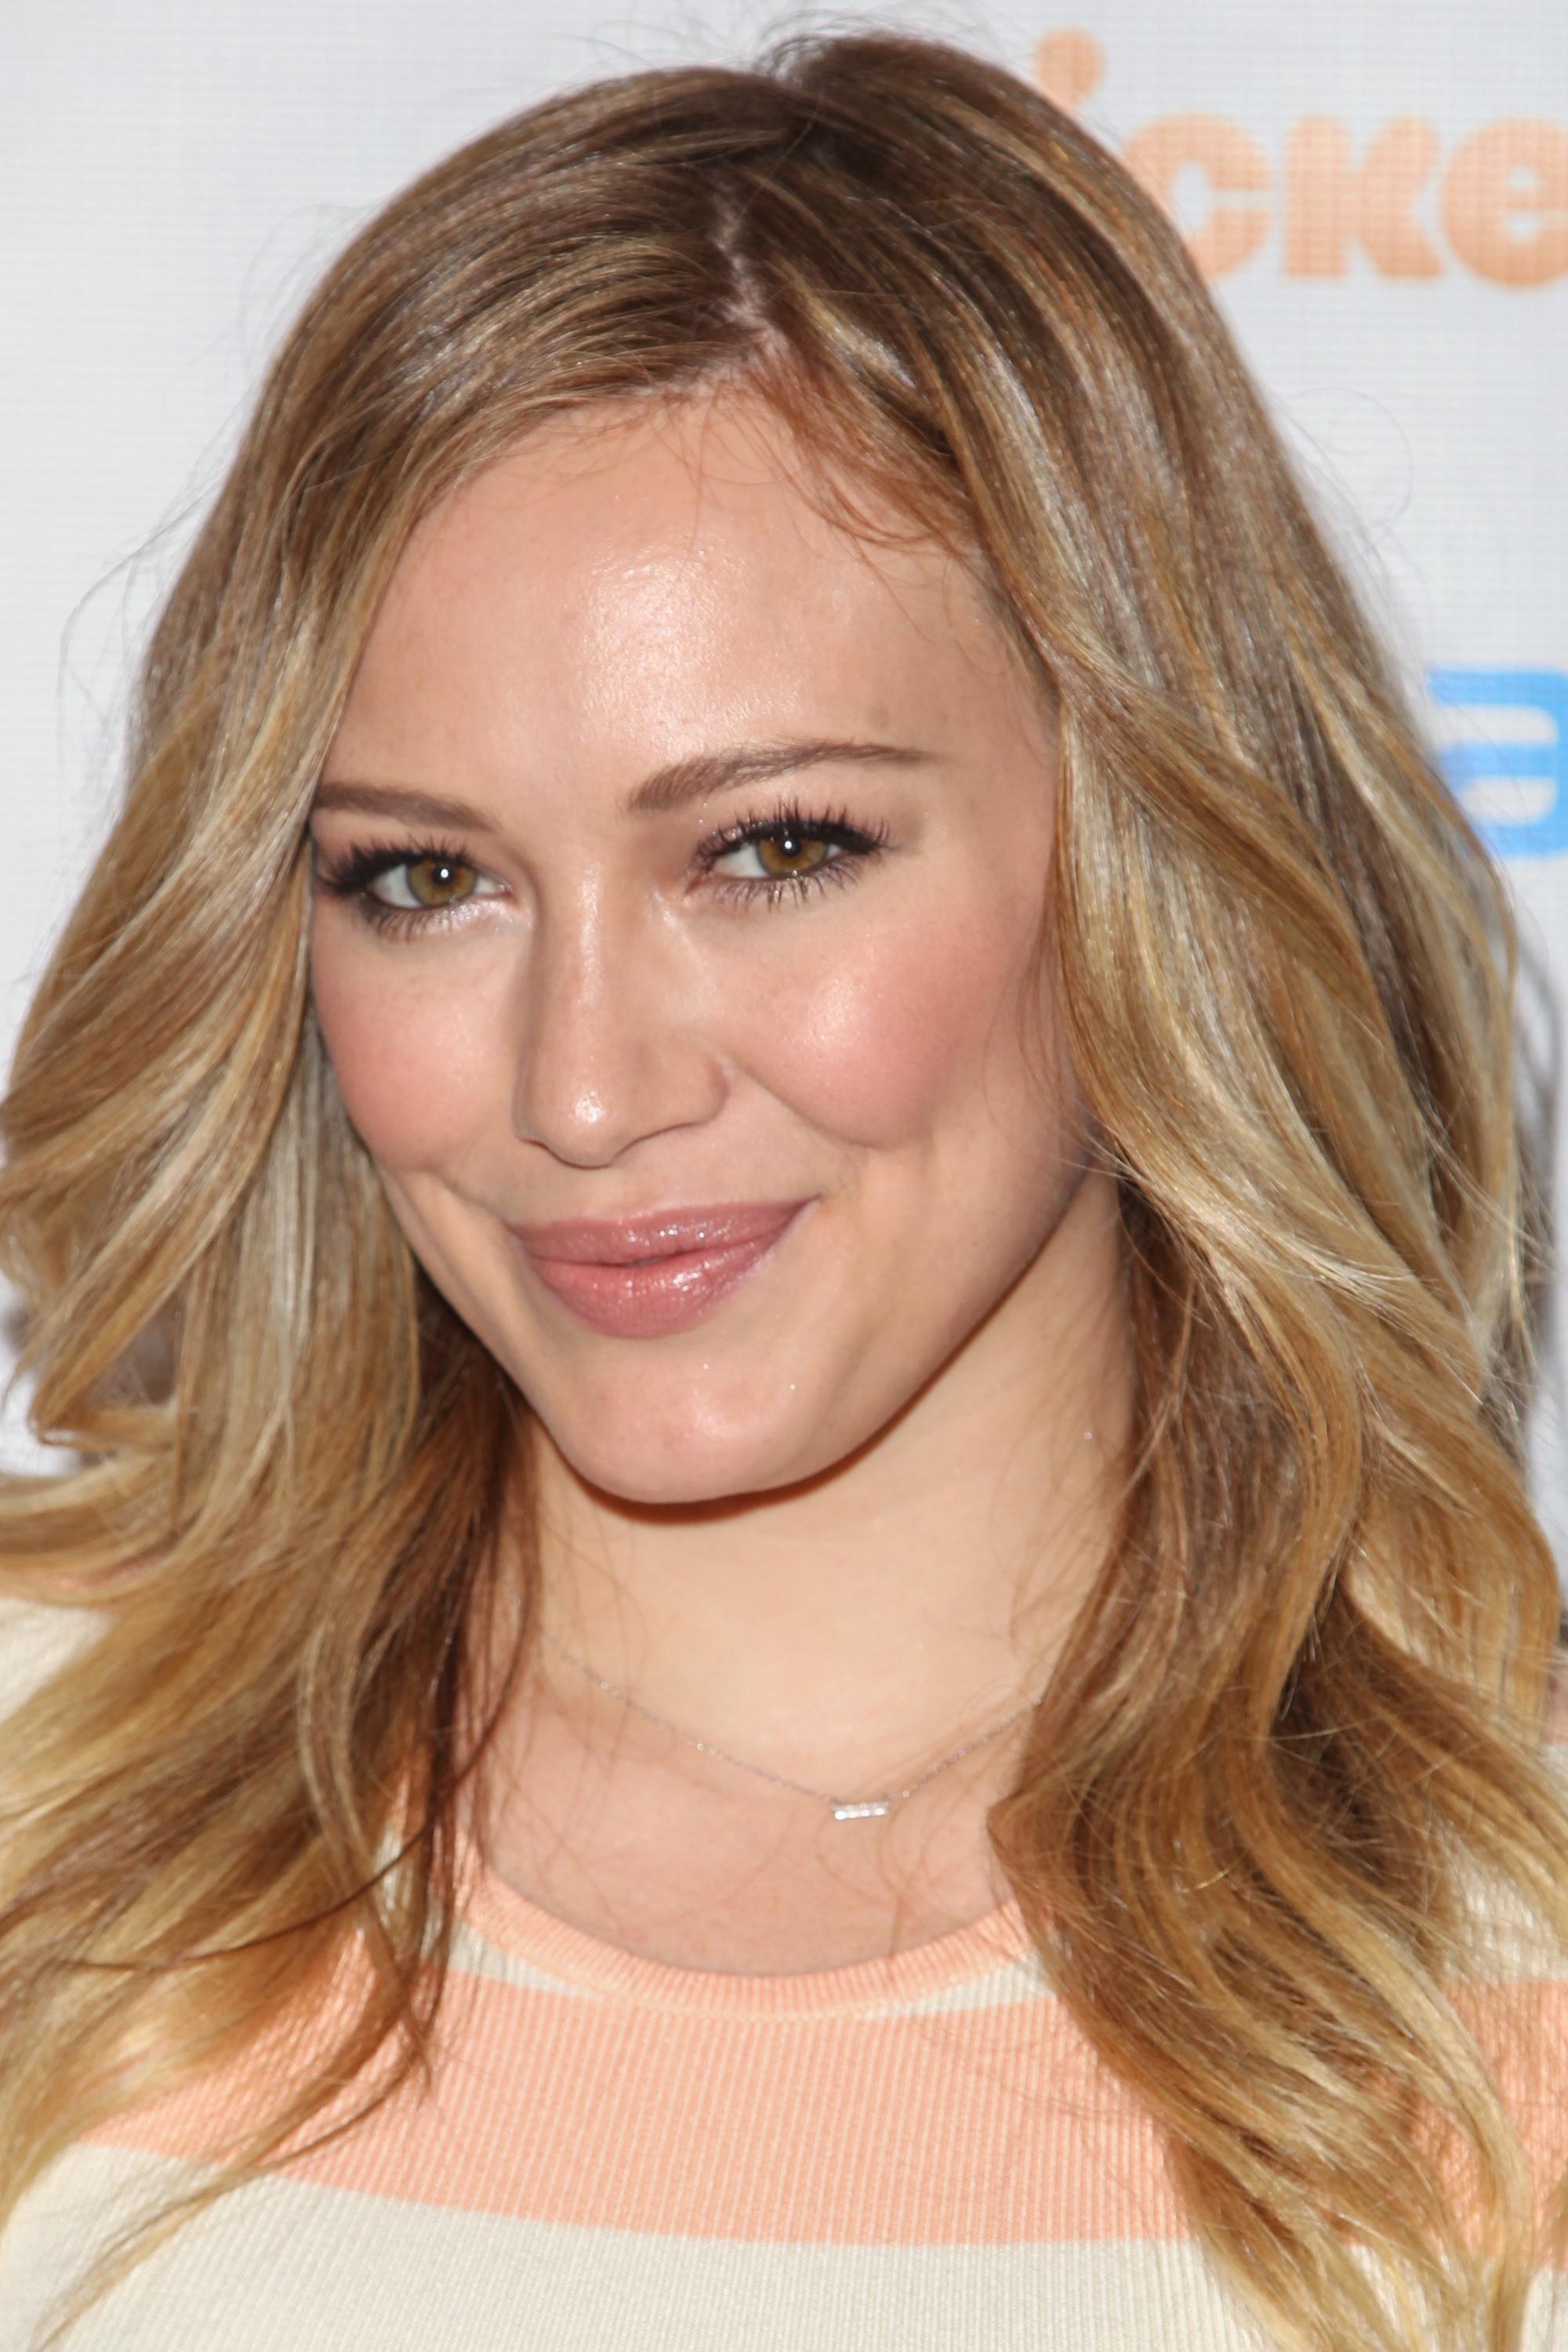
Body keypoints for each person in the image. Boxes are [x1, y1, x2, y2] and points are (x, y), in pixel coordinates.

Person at [0, 27, 1565, 2352]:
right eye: (426, 879)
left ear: (1144, 850)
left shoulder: (1515, 1939)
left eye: (774, 849)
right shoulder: (37, 1782)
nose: (585, 1088)